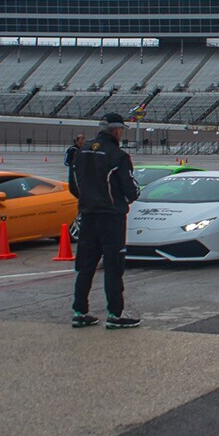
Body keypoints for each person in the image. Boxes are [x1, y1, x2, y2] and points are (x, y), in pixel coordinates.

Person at [70, 113, 141, 329]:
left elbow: (74, 186)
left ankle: (80, 311)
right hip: (111, 217)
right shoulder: (117, 156)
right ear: (116, 130)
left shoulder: (81, 152)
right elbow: (131, 190)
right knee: (113, 265)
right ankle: (115, 314)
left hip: (88, 215)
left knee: (86, 265)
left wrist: (88, 200)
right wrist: (120, 200)